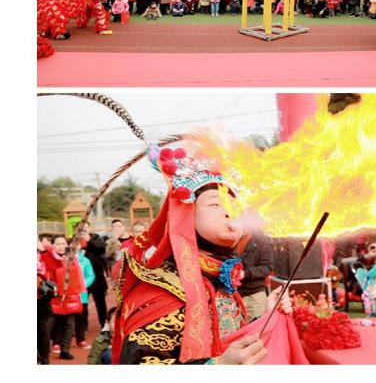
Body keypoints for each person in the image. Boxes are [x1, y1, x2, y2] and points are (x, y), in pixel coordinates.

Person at [112, 146, 305, 365]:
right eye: (215, 204)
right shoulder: (160, 290)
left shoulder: (219, 282)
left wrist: (267, 318)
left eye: (234, 205)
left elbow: (226, 342)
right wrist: (219, 367)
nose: (228, 212)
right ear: (185, 216)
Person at [45, 236, 86, 360]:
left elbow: (78, 276)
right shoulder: (48, 258)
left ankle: (65, 350)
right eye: (58, 244)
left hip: (70, 296)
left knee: (69, 325)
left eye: (63, 244)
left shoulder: (73, 258)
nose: (61, 246)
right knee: (47, 325)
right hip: (53, 296)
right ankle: (42, 351)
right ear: (52, 245)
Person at [237, 232, 275, 322]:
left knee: (254, 329)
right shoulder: (235, 236)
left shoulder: (263, 240)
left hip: (254, 296)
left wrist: (245, 274)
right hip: (235, 295)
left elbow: (267, 267)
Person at [79, 223, 108, 330]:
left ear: (89, 228)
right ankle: (83, 327)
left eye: (86, 227)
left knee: (100, 303)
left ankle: (104, 324)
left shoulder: (96, 237)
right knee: (83, 304)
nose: (84, 229)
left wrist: (89, 240)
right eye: (82, 228)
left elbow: (101, 249)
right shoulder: (74, 240)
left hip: (97, 277)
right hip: (82, 279)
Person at [74, 244, 96, 349]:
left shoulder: (85, 260)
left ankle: (81, 340)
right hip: (65, 294)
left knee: (80, 318)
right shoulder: (62, 259)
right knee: (62, 319)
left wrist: (82, 285)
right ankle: (58, 342)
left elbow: (90, 275)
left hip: (80, 294)